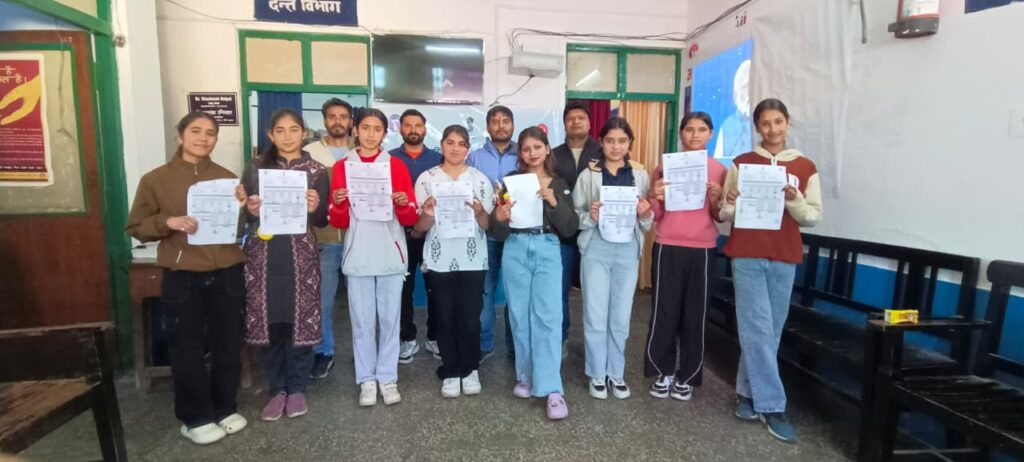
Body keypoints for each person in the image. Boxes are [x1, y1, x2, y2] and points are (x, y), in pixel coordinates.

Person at [126, 112, 247, 445]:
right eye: (196, 131)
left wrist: (241, 208)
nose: (203, 138)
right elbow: (136, 227)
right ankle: (195, 418)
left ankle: (225, 408)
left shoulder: (226, 178)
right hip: (183, 274)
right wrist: (168, 222)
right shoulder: (156, 179)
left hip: (226, 271)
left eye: (210, 133)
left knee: (227, 344)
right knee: (186, 348)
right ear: (180, 136)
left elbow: (238, 231)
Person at [719, 98, 823, 443]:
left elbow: (812, 216)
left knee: (770, 331)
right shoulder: (742, 163)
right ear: (757, 127)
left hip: (784, 256)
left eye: (778, 122)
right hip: (747, 254)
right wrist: (730, 203)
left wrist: (794, 198)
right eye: (765, 123)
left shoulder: (805, 166)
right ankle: (773, 405)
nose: (772, 129)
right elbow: (724, 213)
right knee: (757, 328)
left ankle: (747, 394)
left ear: (787, 123)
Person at [239, 109, 329, 422]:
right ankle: (276, 389)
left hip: (300, 255)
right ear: (270, 134)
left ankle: (298, 387)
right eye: (280, 130)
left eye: (293, 130)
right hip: (263, 255)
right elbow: (245, 214)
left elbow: (322, 220)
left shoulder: (316, 170)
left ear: (303, 133)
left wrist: (315, 207)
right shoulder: (255, 167)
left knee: (299, 319)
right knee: (270, 320)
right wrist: (250, 210)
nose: (287, 136)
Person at [329, 108, 418, 407]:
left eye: (377, 129)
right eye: (365, 127)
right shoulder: (343, 167)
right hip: (358, 254)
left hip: (390, 253)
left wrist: (403, 203)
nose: (370, 134)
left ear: (384, 133)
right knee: (362, 321)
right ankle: (366, 379)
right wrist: (339, 203)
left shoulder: (396, 166)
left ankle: (388, 378)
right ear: (355, 130)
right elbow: (339, 221)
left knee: (391, 320)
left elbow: (410, 216)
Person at [492, 126, 579, 420]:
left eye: (537, 147)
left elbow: (569, 227)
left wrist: (553, 202)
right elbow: (498, 231)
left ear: (547, 149)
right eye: (526, 148)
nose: (532, 153)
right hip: (515, 247)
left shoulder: (559, 183)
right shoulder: (510, 182)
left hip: (547, 247)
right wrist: (499, 217)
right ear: (521, 153)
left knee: (548, 317)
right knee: (519, 314)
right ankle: (526, 376)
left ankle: (553, 389)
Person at [643, 112, 727, 402]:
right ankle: (663, 371)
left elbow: (720, 216)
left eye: (702, 129)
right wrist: (654, 195)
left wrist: (716, 198)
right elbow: (656, 214)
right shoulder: (664, 167)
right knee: (664, 311)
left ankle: (688, 376)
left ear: (710, 134)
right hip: (667, 244)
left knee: (696, 314)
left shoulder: (719, 171)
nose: (695, 135)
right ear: (681, 133)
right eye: (689, 129)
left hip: (702, 248)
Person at [572, 117, 653, 400]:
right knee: (595, 313)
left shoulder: (640, 175)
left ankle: (615, 373)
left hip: (628, 249)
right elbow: (576, 215)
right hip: (596, 248)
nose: (616, 147)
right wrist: (590, 216)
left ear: (630, 143)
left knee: (620, 315)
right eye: (610, 141)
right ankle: (597, 373)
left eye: (622, 141)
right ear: (601, 142)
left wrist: (645, 214)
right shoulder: (588, 175)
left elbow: (646, 221)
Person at [412, 124, 493, 398]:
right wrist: (427, 214)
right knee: (444, 316)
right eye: (450, 142)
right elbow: (419, 229)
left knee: (470, 317)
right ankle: (450, 369)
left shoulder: (479, 180)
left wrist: (480, 212)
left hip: (473, 259)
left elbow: (487, 226)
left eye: (461, 143)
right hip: (440, 259)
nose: (455, 148)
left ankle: (470, 369)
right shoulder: (427, 179)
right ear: (442, 145)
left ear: (468, 148)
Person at [303, 97, 355, 379]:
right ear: (325, 120)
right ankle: (323, 352)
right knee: (322, 302)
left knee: (362, 304)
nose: (338, 121)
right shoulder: (309, 154)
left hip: (358, 238)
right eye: (332, 116)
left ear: (350, 121)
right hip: (323, 238)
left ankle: (366, 354)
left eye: (343, 116)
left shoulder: (362, 152)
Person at [389, 109, 444, 364]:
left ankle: (434, 336)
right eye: (408, 125)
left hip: (432, 233)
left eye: (418, 125)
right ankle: (407, 337)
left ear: (425, 128)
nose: (413, 129)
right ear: (400, 129)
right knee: (403, 289)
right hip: (400, 234)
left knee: (437, 288)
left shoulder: (437, 159)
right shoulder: (389, 159)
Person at [466, 105, 519, 360]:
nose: (500, 125)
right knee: (484, 291)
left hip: (517, 234)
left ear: (513, 125)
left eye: (505, 121)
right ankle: (484, 344)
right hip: (485, 233)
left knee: (516, 293)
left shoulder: (524, 154)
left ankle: (514, 345)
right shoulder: (474, 158)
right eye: (495, 121)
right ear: (487, 127)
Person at [551, 100, 603, 345]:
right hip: (562, 234)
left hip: (595, 233)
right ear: (564, 124)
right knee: (559, 291)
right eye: (570, 118)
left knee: (595, 294)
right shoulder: (553, 155)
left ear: (590, 123)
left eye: (581, 117)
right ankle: (561, 337)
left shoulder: (603, 152)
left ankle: (594, 343)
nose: (576, 122)